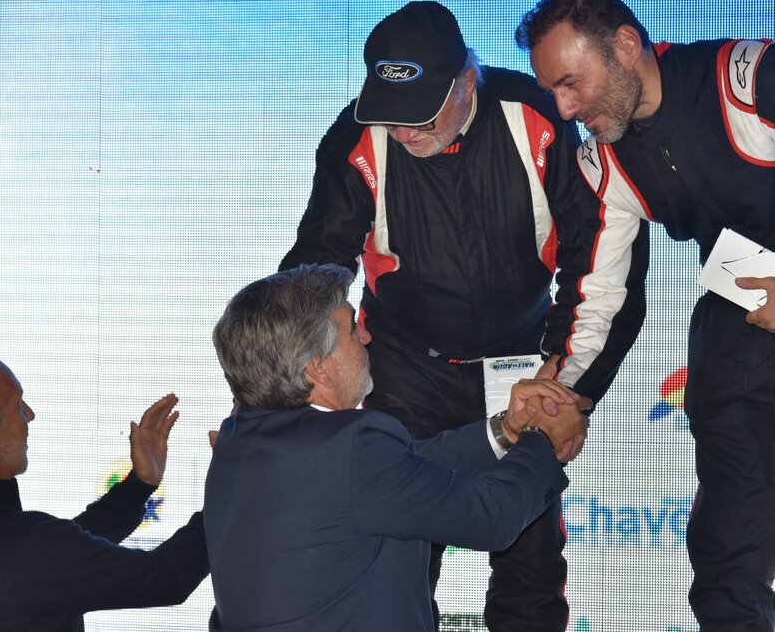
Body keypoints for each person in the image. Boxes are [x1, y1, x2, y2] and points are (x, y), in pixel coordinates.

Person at [517, 0, 775, 631]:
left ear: (625, 46)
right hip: (729, 319)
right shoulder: (603, 161)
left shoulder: (752, 80)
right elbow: (600, 296)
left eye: (571, 84)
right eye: (552, 92)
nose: (564, 108)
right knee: (723, 558)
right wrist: (563, 388)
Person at [279, 0, 647, 631]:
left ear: (467, 82)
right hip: (404, 369)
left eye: (421, 113)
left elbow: (598, 254)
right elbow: (315, 267)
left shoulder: (537, 116)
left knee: (531, 559)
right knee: (395, 559)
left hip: (522, 364)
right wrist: (277, 400)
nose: (404, 132)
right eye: (391, 114)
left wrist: (566, 377)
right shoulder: (356, 137)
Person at [203, 263, 590, 632]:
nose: (366, 336)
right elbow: (491, 517)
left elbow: (400, 474)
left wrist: (506, 430)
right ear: (317, 368)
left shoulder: (240, 440)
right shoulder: (352, 447)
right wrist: (543, 439)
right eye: (352, 329)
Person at [0, 360, 208, 631]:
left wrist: (139, 486)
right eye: (18, 405)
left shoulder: (23, 547)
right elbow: (166, 578)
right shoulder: (22, 549)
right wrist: (234, 488)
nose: (30, 414)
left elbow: (64, 555)